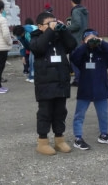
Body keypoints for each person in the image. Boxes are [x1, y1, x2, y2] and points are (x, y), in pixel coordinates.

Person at [30, 12, 77, 155]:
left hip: (61, 82)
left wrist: (64, 30)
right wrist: (50, 30)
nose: (53, 25)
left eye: (54, 22)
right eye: (49, 23)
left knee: (60, 112)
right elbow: (39, 48)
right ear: (39, 26)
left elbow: (72, 45)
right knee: (45, 113)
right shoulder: (35, 38)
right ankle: (42, 141)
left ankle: (59, 140)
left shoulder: (59, 38)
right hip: (45, 84)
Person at [70, 29, 108, 150]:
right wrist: (85, 45)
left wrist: (102, 43)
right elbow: (74, 57)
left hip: (101, 87)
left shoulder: (102, 53)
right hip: (85, 88)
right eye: (88, 39)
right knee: (79, 115)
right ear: (83, 41)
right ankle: (78, 137)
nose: (92, 41)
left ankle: (104, 134)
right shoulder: (82, 54)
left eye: (94, 38)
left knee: (104, 114)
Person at [68, 0, 89, 86]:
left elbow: (77, 24)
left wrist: (67, 27)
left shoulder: (76, 11)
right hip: (83, 37)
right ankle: (84, 78)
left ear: (71, 1)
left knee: (73, 58)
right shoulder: (83, 10)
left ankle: (78, 79)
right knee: (82, 59)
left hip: (76, 38)